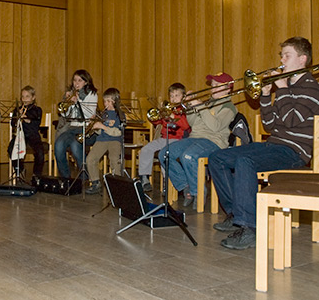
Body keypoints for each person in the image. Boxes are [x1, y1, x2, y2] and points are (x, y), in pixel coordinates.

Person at [209, 36, 319, 250]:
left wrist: (282, 88)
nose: (282, 60)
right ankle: (235, 214)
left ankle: (251, 227)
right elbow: (269, 125)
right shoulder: (286, 88)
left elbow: (291, 120)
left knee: (244, 161)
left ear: (302, 59)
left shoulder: (312, 87)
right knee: (218, 157)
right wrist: (267, 97)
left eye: (287, 55)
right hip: (273, 145)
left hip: (294, 153)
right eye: (281, 55)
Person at [159, 72, 237, 209]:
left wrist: (200, 106)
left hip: (213, 142)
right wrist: (189, 107)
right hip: (194, 138)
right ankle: (185, 186)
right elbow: (193, 124)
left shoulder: (229, 107)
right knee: (164, 154)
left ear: (227, 88)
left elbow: (215, 127)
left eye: (217, 85)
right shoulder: (207, 103)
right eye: (212, 85)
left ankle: (198, 193)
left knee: (188, 156)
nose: (213, 88)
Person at [137, 83, 190, 192]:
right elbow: (158, 123)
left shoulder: (184, 110)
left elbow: (186, 125)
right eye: (171, 96)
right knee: (145, 149)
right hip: (163, 138)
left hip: (178, 140)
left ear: (183, 97)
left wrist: (173, 116)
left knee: (165, 154)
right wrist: (156, 117)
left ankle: (168, 181)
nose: (173, 98)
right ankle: (144, 178)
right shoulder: (168, 109)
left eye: (177, 95)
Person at [54, 69, 98, 178]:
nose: (76, 83)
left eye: (79, 80)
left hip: (87, 129)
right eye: (74, 80)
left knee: (75, 144)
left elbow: (89, 114)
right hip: (72, 127)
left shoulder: (92, 94)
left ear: (86, 82)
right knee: (58, 144)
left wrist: (78, 102)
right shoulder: (72, 94)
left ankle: (85, 176)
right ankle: (65, 178)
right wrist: (67, 102)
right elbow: (65, 115)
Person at [86, 88, 125, 194]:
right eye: (104, 101)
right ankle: (95, 182)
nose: (106, 104)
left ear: (115, 101)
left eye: (109, 101)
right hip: (102, 140)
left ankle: (118, 185)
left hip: (114, 140)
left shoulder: (120, 115)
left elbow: (118, 132)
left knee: (114, 159)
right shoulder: (102, 115)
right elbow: (100, 132)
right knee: (90, 159)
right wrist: (94, 126)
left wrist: (103, 126)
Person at [7, 85, 44, 181]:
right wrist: (17, 117)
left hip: (32, 135)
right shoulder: (18, 109)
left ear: (33, 97)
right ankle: (20, 170)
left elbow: (36, 125)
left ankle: (36, 175)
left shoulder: (37, 110)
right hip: (20, 135)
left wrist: (27, 120)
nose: (24, 99)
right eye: (23, 97)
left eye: (27, 96)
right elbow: (12, 124)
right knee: (11, 149)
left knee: (40, 151)